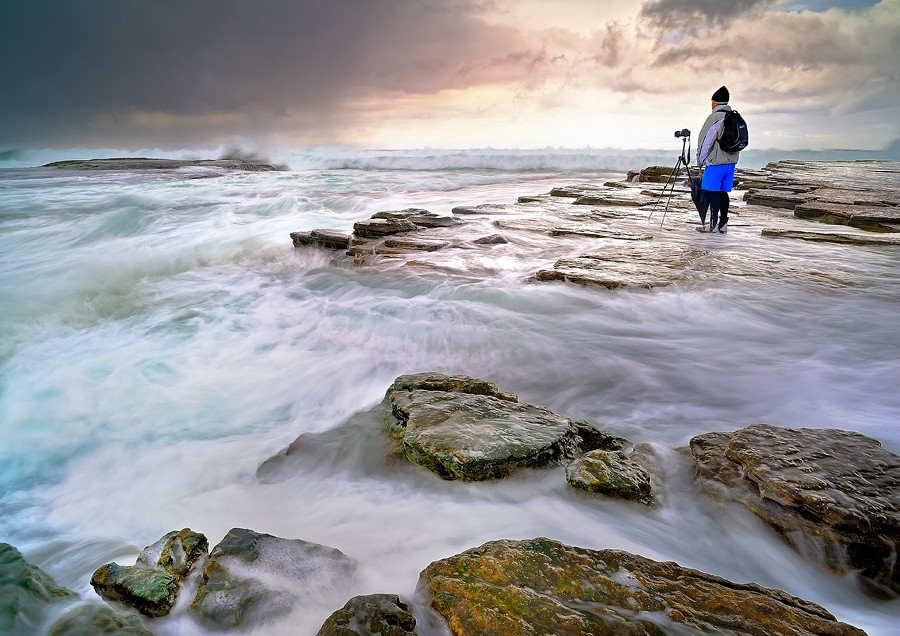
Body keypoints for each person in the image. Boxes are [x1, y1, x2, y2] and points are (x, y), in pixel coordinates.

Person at [696, 86, 740, 233]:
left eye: (712, 103)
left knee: (712, 191)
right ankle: (723, 224)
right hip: (731, 162)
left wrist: (700, 161)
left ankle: (713, 225)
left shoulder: (714, 117)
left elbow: (705, 141)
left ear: (714, 103)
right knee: (722, 192)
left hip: (715, 162)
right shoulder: (734, 116)